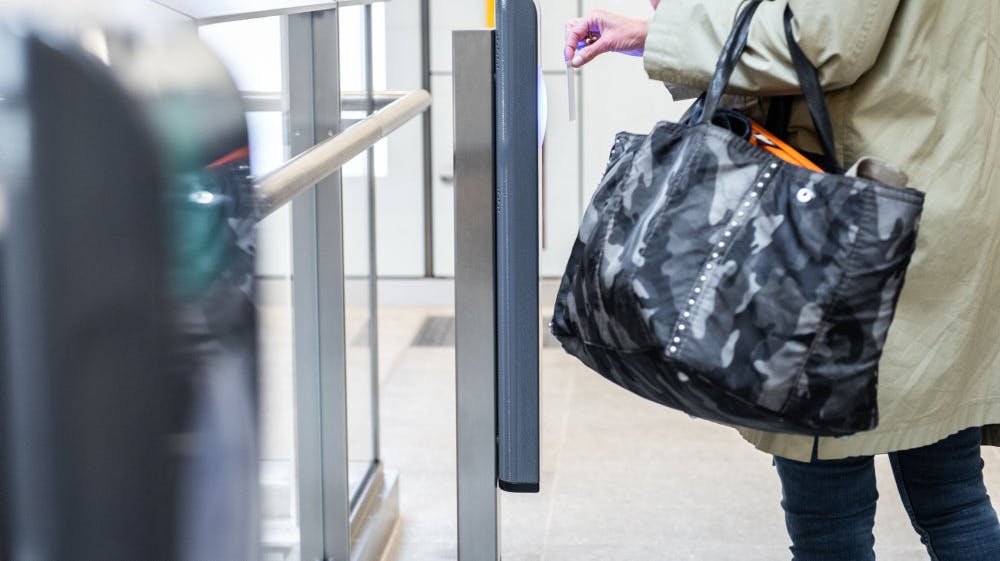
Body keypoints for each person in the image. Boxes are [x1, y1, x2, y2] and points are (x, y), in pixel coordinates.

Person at [565, 1, 1000, 560]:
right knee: (952, 495)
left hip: (846, 223)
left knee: (830, 522)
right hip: (937, 191)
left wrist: (659, 33)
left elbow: (821, 42)